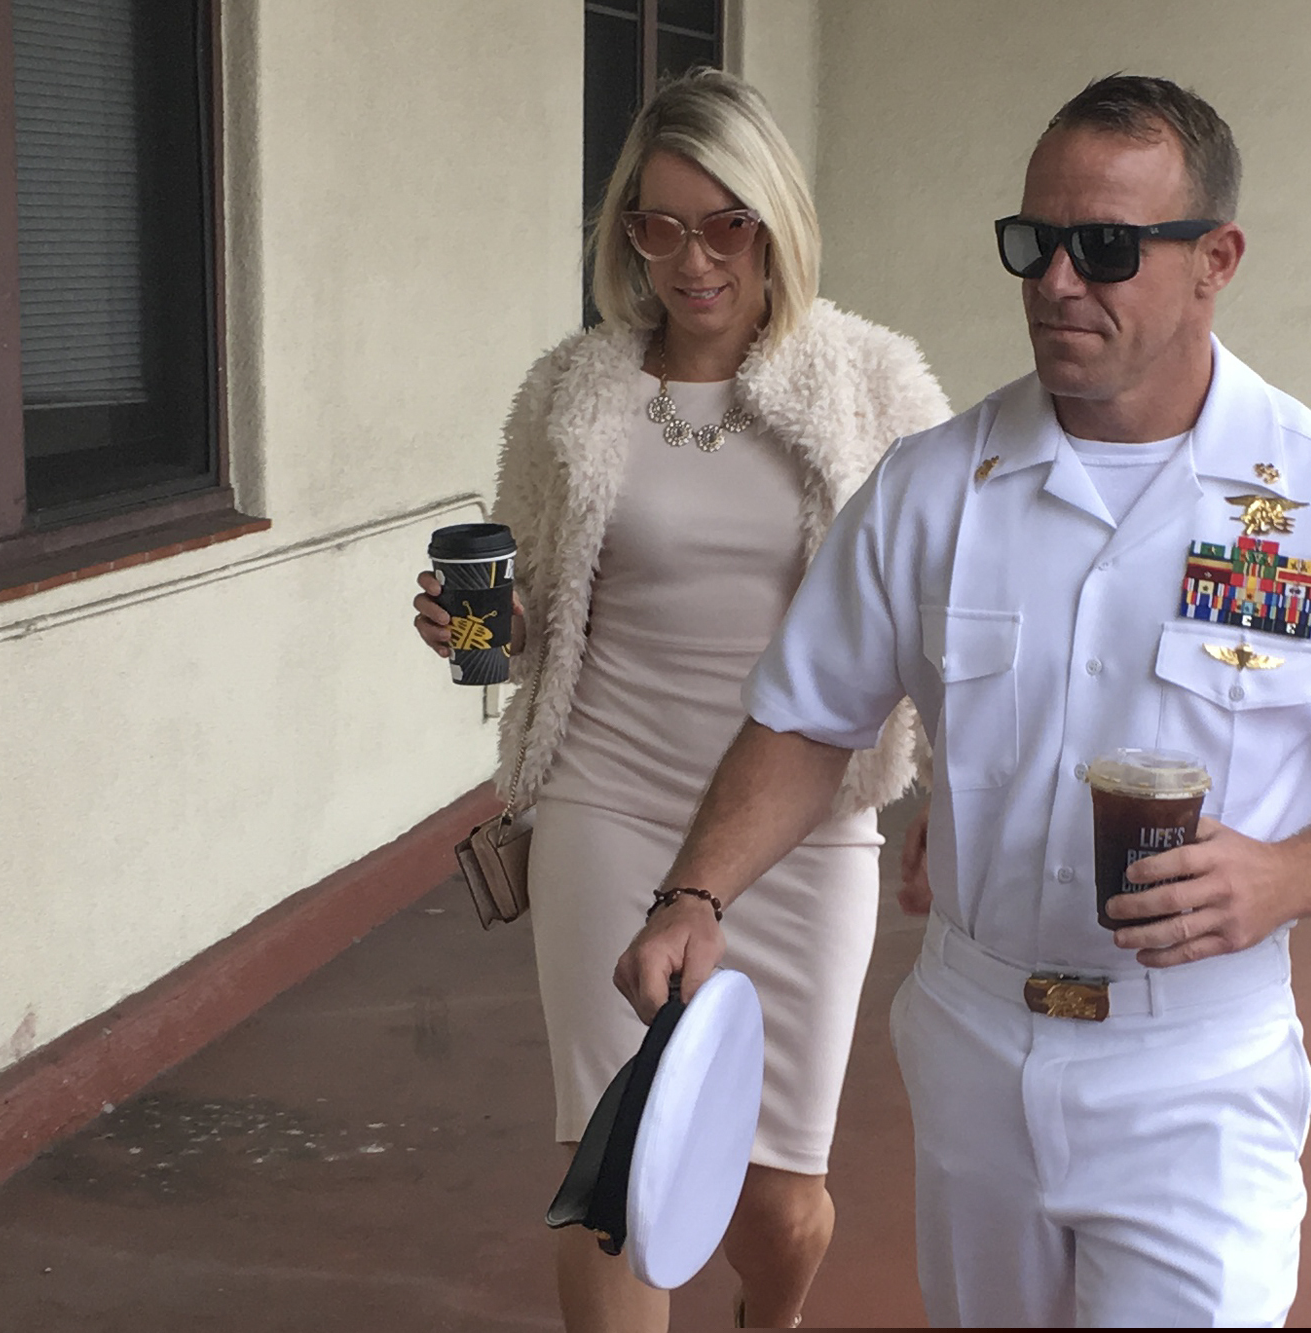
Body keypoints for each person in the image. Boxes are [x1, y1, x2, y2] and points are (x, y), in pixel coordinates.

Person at [614, 74, 1311, 1328]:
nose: (1057, 281)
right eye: (1034, 244)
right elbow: (808, 717)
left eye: (1107, 249)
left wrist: (1289, 875)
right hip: (973, 1042)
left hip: (1194, 1064)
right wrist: (695, 892)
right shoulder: (932, 491)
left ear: (1214, 261)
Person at [412, 70, 949, 1331]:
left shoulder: (871, 384)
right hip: (607, 793)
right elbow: (546, 592)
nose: (691, 260)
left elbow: (942, 605)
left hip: (805, 822)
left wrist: (961, 791)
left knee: (779, 1195)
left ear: (777, 223)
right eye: (657, 226)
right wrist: (490, 626)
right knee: (616, 1168)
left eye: (725, 225)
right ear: (623, 234)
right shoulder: (571, 392)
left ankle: (771, 1311)